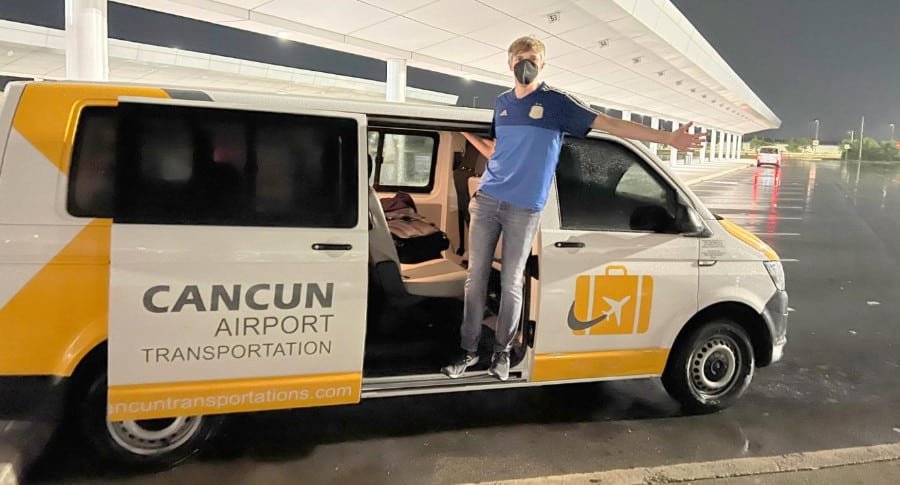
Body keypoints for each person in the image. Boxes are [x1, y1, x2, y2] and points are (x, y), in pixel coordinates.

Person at [441, 35, 706, 381]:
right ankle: (468, 351)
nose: (527, 63)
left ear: (542, 64)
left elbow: (611, 124)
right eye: (521, 57)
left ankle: (502, 353)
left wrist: (669, 139)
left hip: (524, 208)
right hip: (488, 200)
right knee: (475, 280)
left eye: (533, 58)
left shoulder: (557, 104)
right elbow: (501, 151)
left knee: (511, 284)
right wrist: (465, 134)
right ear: (509, 63)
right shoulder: (502, 103)